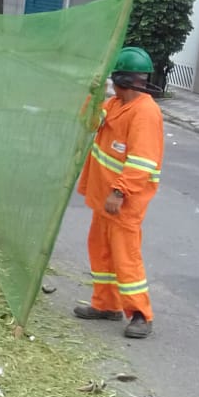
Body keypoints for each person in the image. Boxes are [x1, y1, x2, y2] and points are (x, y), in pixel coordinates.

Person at [74, 45, 164, 339]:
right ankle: (106, 305)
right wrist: (95, 95)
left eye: (114, 81)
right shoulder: (115, 106)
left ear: (122, 80)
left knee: (126, 257)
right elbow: (87, 122)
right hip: (104, 199)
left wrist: (119, 192)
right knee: (101, 252)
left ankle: (140, 314)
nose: (113, 85)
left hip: (122, 202)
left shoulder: (145, 113)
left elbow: (142, 162)